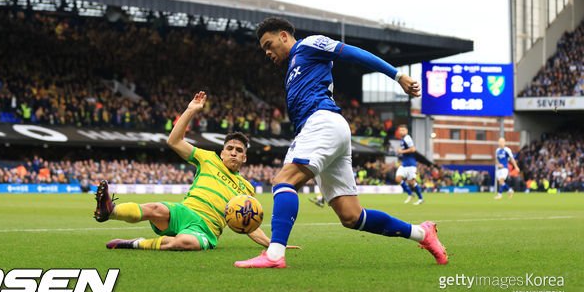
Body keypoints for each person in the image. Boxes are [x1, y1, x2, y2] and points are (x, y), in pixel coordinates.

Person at [235, 17, 447, 268]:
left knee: (283, 181)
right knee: (351, 216)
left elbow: (354, 53)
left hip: (322, 122)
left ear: (284, 35)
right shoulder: (295, 66)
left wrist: (397, 75)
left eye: (269, 45)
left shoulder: (308, 45)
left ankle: (274, 255)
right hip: (323, 128)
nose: (268, 52)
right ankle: (422, 233)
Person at [94, 91, 292, 251]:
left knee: (183, 243)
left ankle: (134, 243)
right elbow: (173, 141)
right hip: (184, 211)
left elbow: (248, 223)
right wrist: (191, 110)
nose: (233, 153)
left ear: (244, 158)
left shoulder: (246, 188)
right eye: (230, 149)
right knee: (155, 208)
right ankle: (110, 211)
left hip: (205, 228)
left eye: (239, 150)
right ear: (222, 153)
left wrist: (271, 243)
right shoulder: (207, 158)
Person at [394, 124, 424, 205]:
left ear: (406, 131)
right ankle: (410, 193)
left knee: (412, 182)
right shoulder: (403, 139)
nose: (401, 131)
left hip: (410, 164)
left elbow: (413, 149)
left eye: (403, 130)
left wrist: (402, 151)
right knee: (398, 178)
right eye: (400, 130)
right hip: (404, 163)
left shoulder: (407, 138)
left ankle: (421, 198)